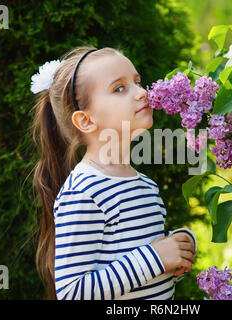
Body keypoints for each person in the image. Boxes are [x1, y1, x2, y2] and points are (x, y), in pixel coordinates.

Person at [30, 46, 197, 300]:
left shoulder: (146, 186)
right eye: (119, 88)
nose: (142, 93)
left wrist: (177, 248)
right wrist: (156, 258)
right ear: (85, 121)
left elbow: (144, 273)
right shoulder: (84, 192)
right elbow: (72, 293)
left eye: (138, 82)